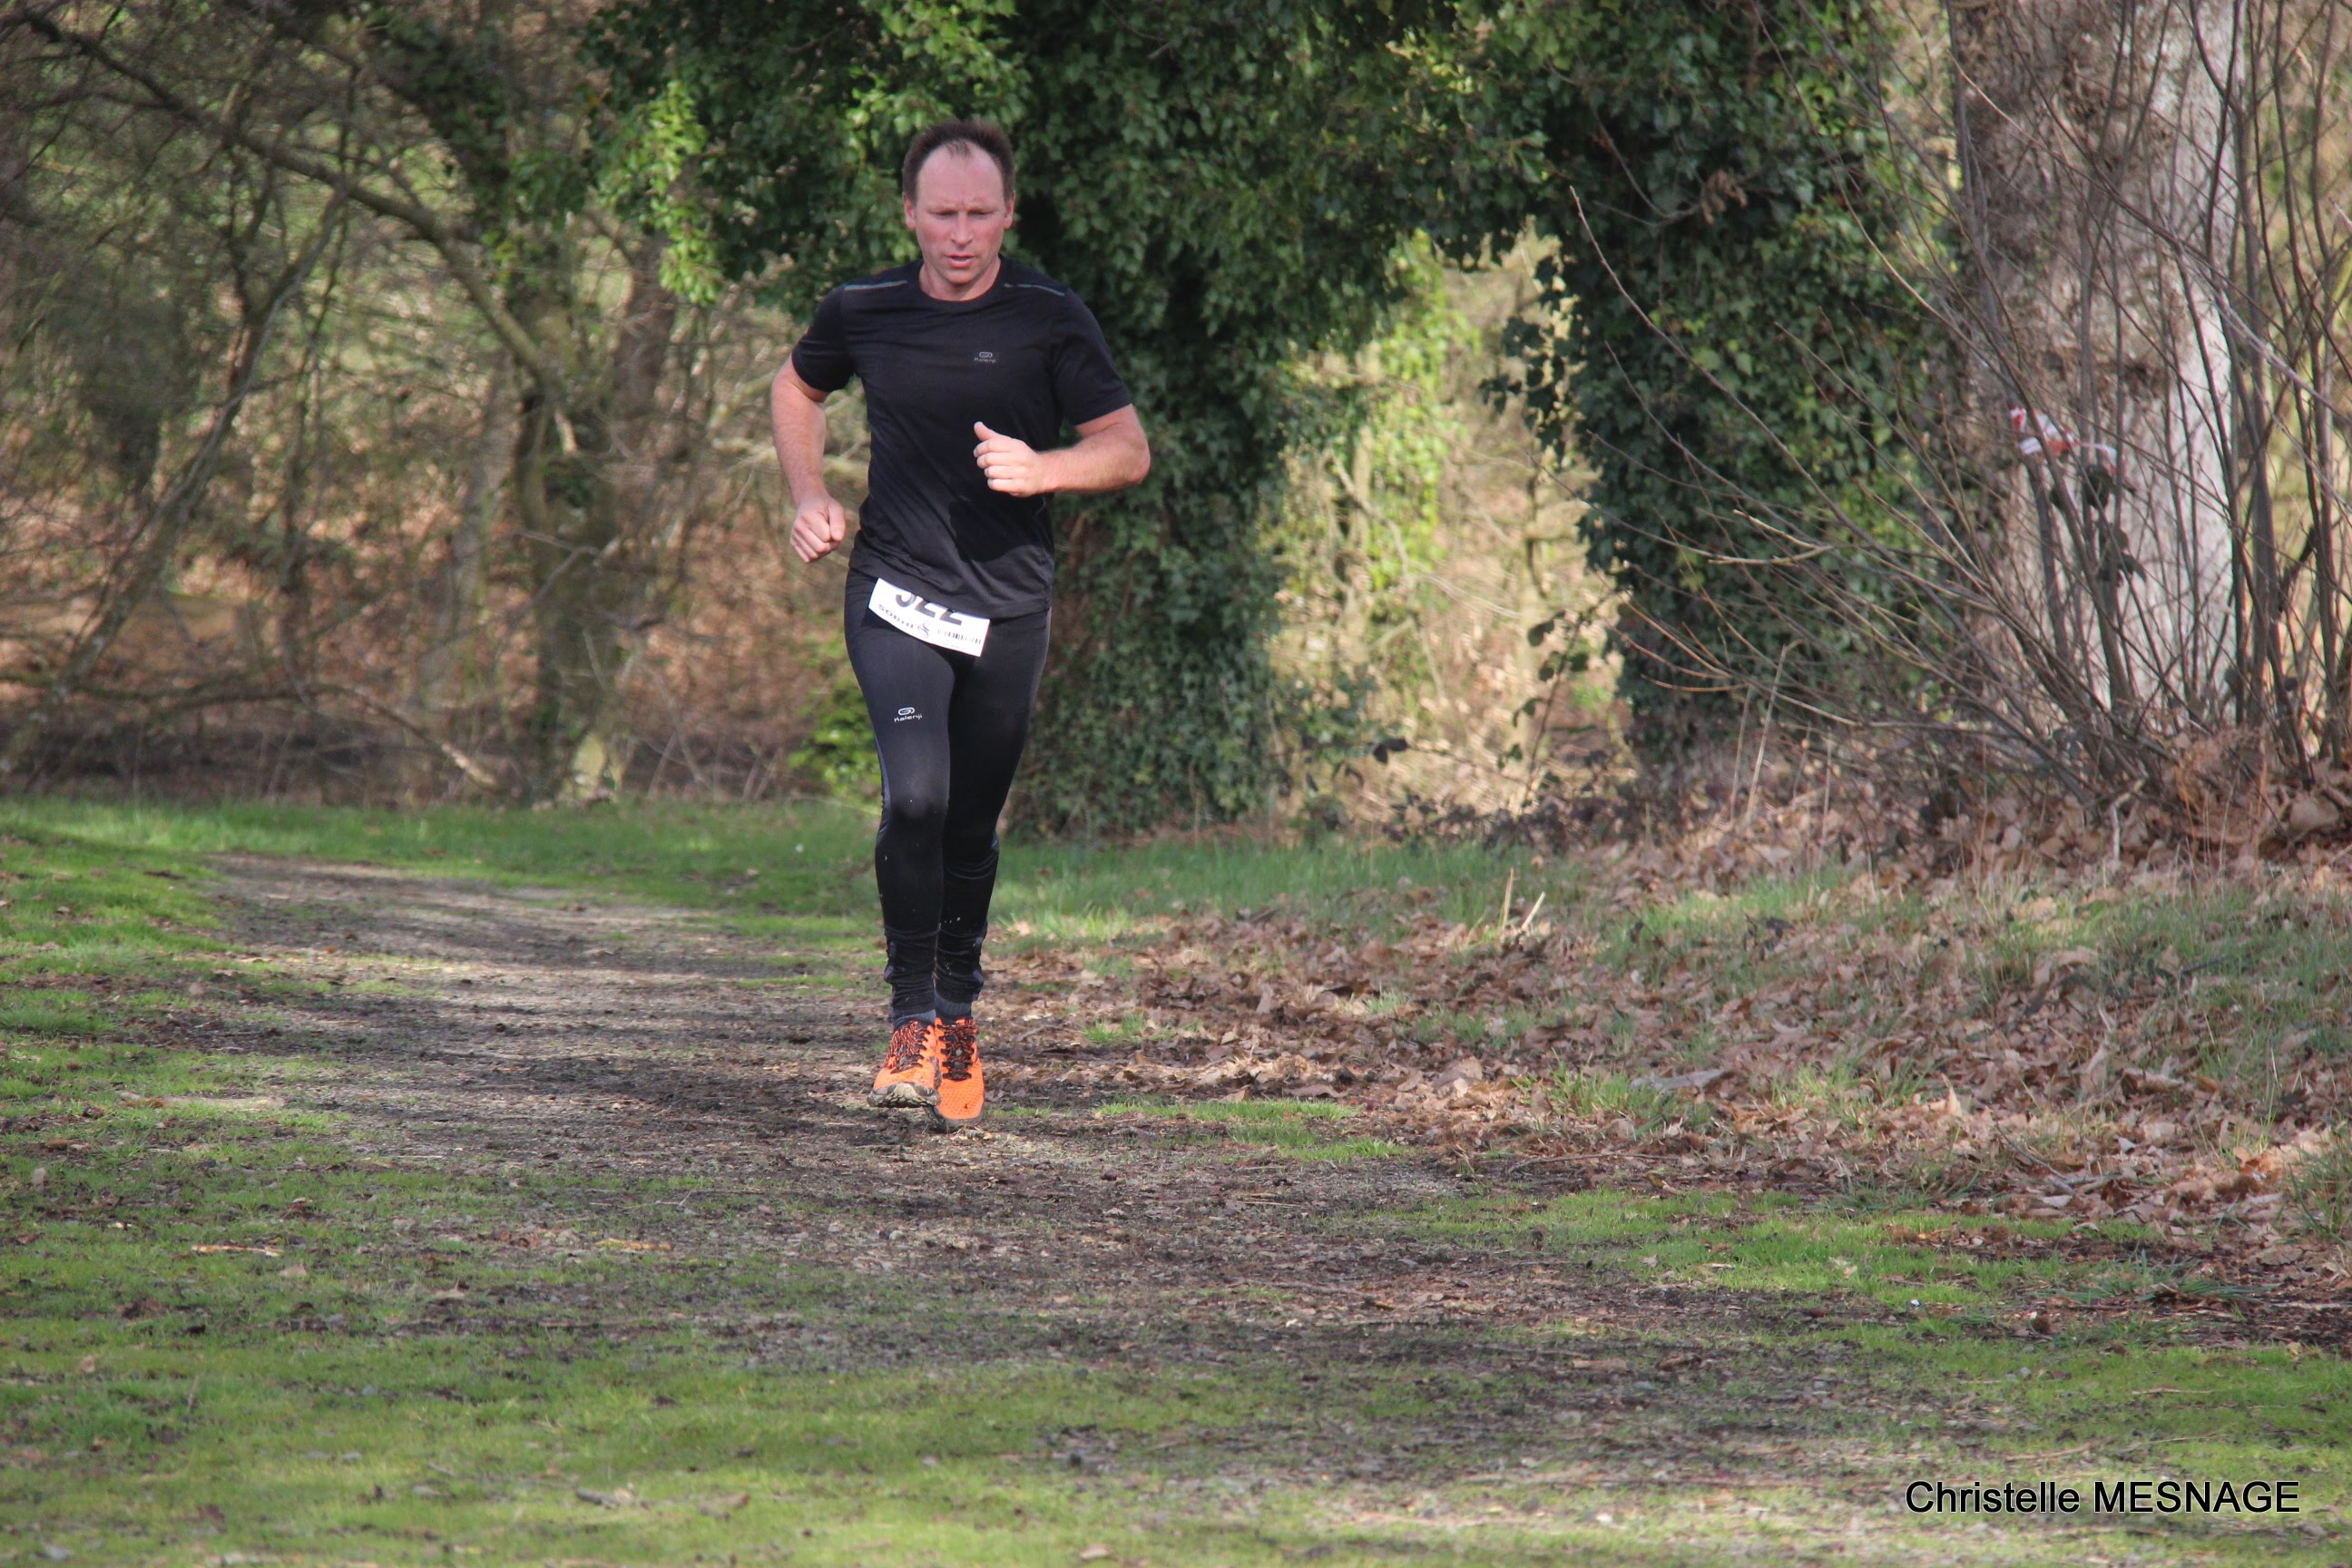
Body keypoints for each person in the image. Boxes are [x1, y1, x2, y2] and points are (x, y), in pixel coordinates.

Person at [770, 118, 1150, 1128]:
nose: (962, 233)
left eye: (981, 213)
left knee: (972, 825)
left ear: (1009, 214)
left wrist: (1047, 468)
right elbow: (797, 386)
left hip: (1007, 609)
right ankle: (910, 1023)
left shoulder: (1048, 317)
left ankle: (957, 1011)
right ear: (910, 214)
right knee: (919, 801)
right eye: (943, 214)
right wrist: (808, 493)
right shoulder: (864, 308)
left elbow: (1127, 448)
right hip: (895, 593)